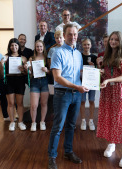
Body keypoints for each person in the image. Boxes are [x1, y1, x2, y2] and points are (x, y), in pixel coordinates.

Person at [47, 24, 89, 169]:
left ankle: (68, 151)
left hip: (76, 95)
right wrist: (76, 86)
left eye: (75, 34)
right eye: (69, 34)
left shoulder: (78, 54)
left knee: (71, 125)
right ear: (64, 36)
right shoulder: (57, 53)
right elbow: (57, 78)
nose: (73, 37)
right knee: (58, 127)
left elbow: (78, 73)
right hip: (62, 94)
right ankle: (52, 157)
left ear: (78, 35)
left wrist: (94, 75)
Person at [96, 31, 122, 168]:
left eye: (116, 39)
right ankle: (111, 143)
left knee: (121, 120)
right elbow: (107, 72)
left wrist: (109, 79)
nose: (113, 42)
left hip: (118, 91)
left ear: (120, 41)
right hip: (107, 90)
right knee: (108, 117)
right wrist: (101, 71)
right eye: (111, 39)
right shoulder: (106, 54)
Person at [0, 38, 28, 131]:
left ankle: (20, 122)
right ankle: (12, 122)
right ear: (9, 46)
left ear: (18, 46)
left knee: (19, 103)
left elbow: (26, 73)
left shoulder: (23, 58)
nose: (14, 47)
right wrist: (1, 64)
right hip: (9, 81)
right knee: (11, 103)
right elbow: (2, 73)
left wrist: (23, 69)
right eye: (12, 45)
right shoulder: (5, 57)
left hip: (19, 81)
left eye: (15, 45)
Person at [28, 40, 49, 131]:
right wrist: (28, 69)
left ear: (43, 47)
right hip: (34, 82)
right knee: (34, 105)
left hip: (44, 82)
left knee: (44, 103)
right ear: (35, 48)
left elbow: (51, 71)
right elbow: (30, 73)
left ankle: (42, 122)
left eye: (41, 46)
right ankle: (33, 122)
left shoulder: (47, 58)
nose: (39, 48)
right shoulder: (31, 58)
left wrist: (47, 70)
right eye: (37, 46)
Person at [80, 38, 97, 131]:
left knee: (91, 100)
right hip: (82, 82)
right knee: (82, 101)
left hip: (92, 83)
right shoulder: (79, 56)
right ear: (82, 45)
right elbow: (77, 69)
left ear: (91, 45)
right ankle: (83, 120)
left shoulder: (94, 57)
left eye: (88, 44)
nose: (86, 46)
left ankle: (91, 120)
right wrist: (81, 70)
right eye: (85, 44)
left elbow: (98, 71)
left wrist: (93, 67)